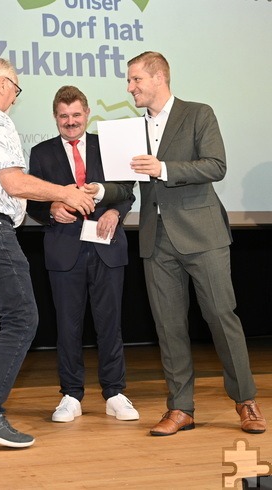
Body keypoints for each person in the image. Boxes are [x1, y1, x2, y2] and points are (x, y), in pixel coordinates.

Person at [0, 58, 97, 448]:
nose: (14, 98)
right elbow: (13, 182)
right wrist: (66, 192)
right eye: (16, 89)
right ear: (2, 83)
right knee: (23, 317)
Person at [126, 51, 266, 435]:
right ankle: (180, 408)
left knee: (222, 317)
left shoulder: (198, 113)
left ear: (158, 78)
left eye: (136, 79)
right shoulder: (131, 130)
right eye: (129, 81)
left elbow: (216, 165)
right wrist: (98, 192)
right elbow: (124, 182)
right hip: (156, 240)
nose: (130, 87)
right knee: (169, 326)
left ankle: (246, 401)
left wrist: (164, 169)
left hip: (202, 234)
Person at [27, 85, 138, 424]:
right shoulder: (41, 152)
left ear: (87, 114)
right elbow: (31, 201)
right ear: (55, 117)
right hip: (64, 250)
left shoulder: (108, 146)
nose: (71, 122)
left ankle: (115, 393)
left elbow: (128, 187)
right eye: (64, 117)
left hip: (107, 245)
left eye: (76, 115)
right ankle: (71, 395)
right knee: (68, 326)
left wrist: (114, 212)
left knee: (110, 324)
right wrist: (51, 211)